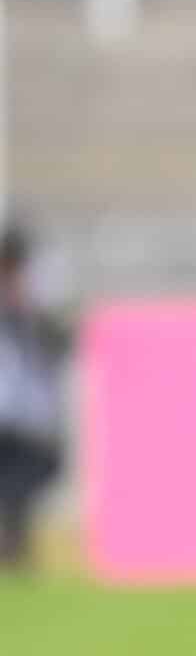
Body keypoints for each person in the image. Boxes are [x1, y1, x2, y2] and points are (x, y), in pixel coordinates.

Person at [0, 223, 64, 572]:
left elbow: (57, 342)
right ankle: (14, 547)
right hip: (11, 412)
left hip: (27, 415)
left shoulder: (35, 300)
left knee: (20, 486)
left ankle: (15, 546)